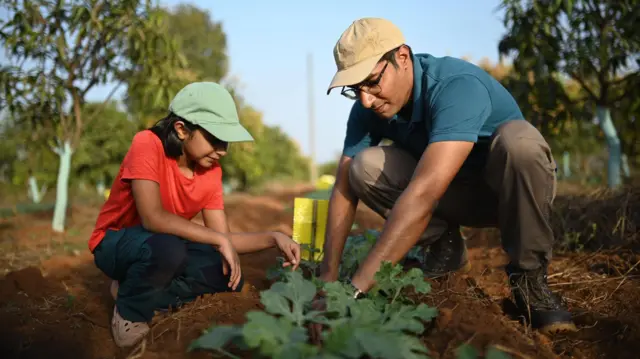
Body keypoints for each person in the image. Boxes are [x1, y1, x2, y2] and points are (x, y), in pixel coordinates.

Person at [315, 17, 576, 335]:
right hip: (454, 194)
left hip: (512, 192)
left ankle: (531, 279)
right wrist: (327, 278)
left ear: (402, 57)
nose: (366, 99)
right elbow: (343, 184)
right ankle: (445, 246)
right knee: (361, 167)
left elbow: (423, 193)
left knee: (519, 143)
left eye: (372, 82)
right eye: (355, 90)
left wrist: (354, 291)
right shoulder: (368, 110)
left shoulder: (456, 86)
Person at [88, 82, 301, 348]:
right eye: (215, 139)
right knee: (170, 249)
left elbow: (223, 239)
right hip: (116, 243)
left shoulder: (211, 172)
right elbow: (152, 218)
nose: (222, 150)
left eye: (226, 142)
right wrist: (218, 240)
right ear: (181, 129)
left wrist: (273, 237)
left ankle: (138, 292)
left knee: (225, 274)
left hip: (162, 246)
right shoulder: (147, 144)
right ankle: (129, 313)